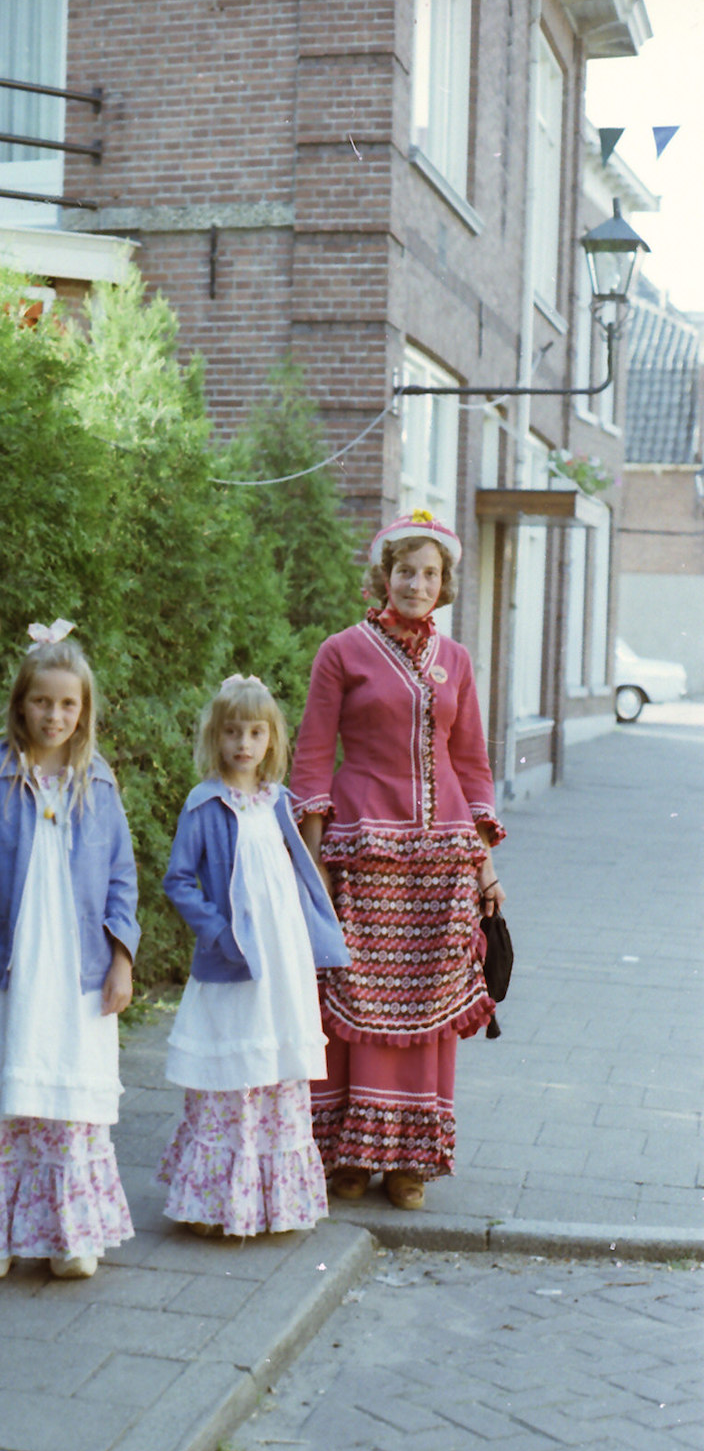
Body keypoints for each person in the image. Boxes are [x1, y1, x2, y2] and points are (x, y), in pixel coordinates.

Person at [290, 508, 506, 1212]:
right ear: (384, 575)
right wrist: (316, 860)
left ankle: (410, 1161)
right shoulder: (341, 651)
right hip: (361, 848)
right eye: (405, 570)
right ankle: (350, 1155)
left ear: (443, 584)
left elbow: (471, 764)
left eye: (430, 573)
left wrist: (485, 867)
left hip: (442, 857)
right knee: (351, 1001)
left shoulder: (459, 662)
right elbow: (314, 754)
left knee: (426, 1008)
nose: (416, 583)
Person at [0, 622, 139, 1281]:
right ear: (21, 702)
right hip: (10, 970)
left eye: (68, 704)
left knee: (66, 1101)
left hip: (75, 972)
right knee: (4, 1090)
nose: (55, 715)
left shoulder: (98, 784)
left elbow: (121, 881)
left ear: (84, 710)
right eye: (43, 701)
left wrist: (122, 958)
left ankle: (70, 1233)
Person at [157, 674, 349, 1238]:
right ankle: (216, 1203)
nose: (244, 744)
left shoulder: (279, 804)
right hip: (235, 965)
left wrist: (313, 935)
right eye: (233, 732)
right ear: (216, 738)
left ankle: (273, 1201)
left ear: (272, 740)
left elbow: (296, 879)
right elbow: (179, 880)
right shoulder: (205, 804)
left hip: (281, 965)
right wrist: (218, 933)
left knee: (274, 1067)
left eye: (255, 733)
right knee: (233, 1066)